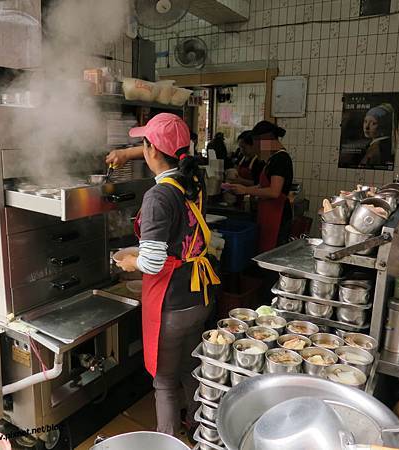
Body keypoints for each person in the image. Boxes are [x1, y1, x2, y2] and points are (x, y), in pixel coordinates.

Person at [108, 113, 220, 437]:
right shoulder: (192, 184)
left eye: (143, 143)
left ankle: (167, 443)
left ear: (151, 150)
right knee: (189, 368)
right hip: (199, 296)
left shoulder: (157, 196)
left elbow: (154, 263)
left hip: (172, 303)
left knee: (164, 382)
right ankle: (201, 432)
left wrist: (129, 262)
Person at [224, 120, 293, 251]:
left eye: (257, 144)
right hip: (268, 212)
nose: (257, 149)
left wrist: (245, 189)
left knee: (273, 257)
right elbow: (261, 186)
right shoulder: (273, 159)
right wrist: (243, 190)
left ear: (266, 140)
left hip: (278, 215)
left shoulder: (281, 159)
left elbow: (274, 191)